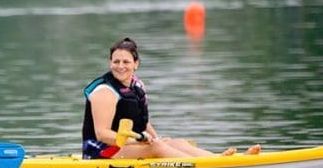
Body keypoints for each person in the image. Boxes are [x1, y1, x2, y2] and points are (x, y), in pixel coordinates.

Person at [82, 37, 261, 159]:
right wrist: (141, 141)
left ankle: (219, 159)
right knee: (157, 147)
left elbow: (142, 123)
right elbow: (102, 134)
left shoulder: (137, 86)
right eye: (116, 61)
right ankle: (206, 167)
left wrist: (155, 138)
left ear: (136, 64)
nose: (120, 66)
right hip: (103, 153)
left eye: (126, 62)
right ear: (110, 62)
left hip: (129, 145)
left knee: (174, 142)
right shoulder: (104, 92)